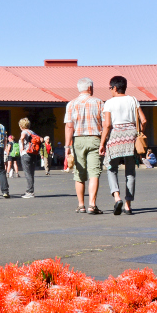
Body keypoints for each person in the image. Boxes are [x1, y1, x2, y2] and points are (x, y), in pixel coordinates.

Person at [101, 75, 146, 216]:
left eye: (110, 88)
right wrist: (139, 132)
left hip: (115, 136)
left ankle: (117, 197)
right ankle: (128, 205)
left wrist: (102, 143)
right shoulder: (133, 100)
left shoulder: (109, 103)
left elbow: (107, 125)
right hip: (131, 136)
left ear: (114, 88)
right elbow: (143, 120)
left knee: (111, 168)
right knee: (130, 172)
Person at [65, 78, 105, 214]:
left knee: (79, 173)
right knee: (94, 173)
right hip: (95, 138)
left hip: (78, 140)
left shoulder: (71, 104)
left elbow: (69, 126)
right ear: (90, 88)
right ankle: (92, 205)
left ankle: (81, 205)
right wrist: (104, 142)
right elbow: (105, 125)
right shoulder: (99, 102)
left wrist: (67, 146)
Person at [16, 118, 43, 199]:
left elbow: (22, 137)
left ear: (21, 126)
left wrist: (22, 146)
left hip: (26, 153)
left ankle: (29, 192)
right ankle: (30, 190)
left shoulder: (24, 132)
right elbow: (41, 139)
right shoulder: (32, 132)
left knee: (27, 173)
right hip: (33, 153)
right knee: (31, 173)